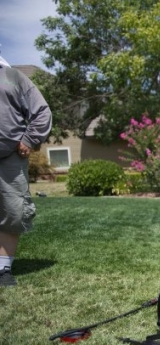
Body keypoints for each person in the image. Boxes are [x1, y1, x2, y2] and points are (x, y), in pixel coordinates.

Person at [0, 58, 52, 287]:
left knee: (14, 211)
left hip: (9, 156)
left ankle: (3, 268)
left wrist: (29, 139)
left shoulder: (13, 77)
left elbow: (41, 111)